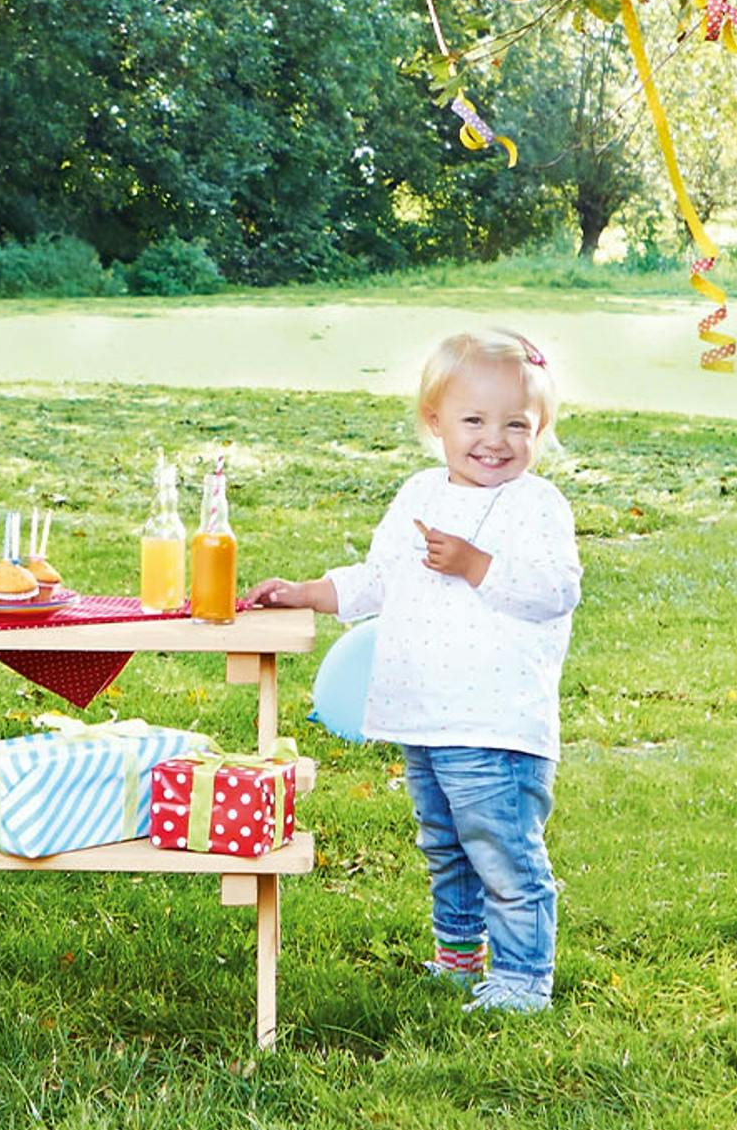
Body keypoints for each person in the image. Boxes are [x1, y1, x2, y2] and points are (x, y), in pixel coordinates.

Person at [250, 327, 581, 1012]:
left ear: (539, 428)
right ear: (436, 422)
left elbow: (556, 590)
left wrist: (474, 564)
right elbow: (379, 579)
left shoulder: (535, 505)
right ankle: (459, 957)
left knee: (503, 852)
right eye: (474, 420)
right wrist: (307, 591)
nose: (495, 439)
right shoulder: (417, 495)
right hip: (424, 714)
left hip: (495, 722)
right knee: (446, 844)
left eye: (517, 423)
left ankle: (522, 978)